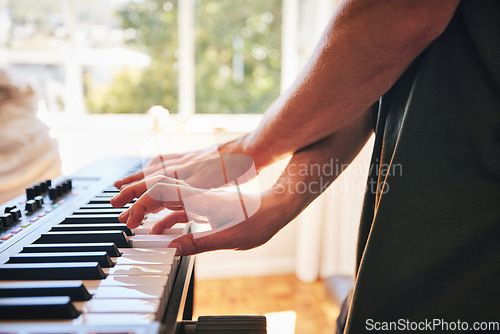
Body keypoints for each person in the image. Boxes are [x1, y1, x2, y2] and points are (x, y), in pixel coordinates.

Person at [111, 0, 500, 332]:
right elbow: (366, 82)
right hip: (401, 258)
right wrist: (277, 201)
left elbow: (401, 12)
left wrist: (248, 150)